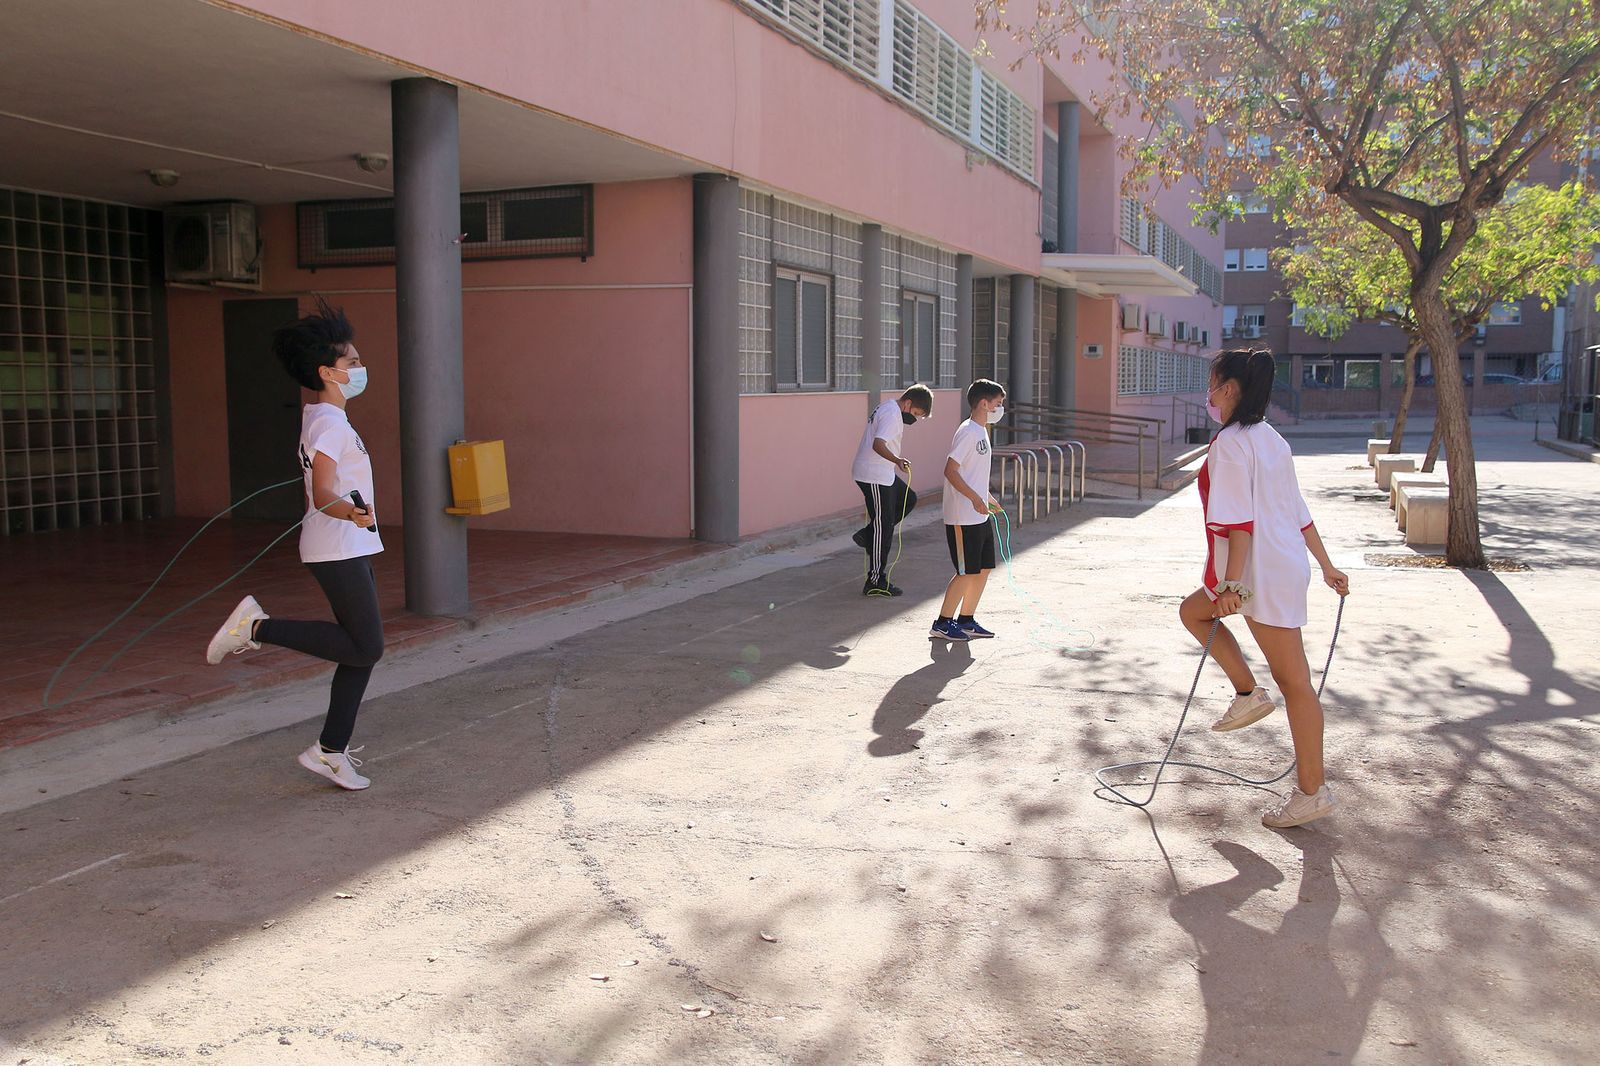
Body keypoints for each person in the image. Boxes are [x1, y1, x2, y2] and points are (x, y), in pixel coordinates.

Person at [204, 300, 385, 791]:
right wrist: (348, 509)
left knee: (361, 652)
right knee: (366, 646)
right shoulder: (329, 423)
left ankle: (331, 751)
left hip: (346, 543)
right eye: (352, 363)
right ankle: (255, 626)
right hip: (336, 544)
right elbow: (325, 491)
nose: (360, 369)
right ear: (328, 372)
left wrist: (352, 515)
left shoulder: (325, 419)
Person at [1181, 349, 1351, 828]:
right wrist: (1327, 565)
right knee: (1194, 613)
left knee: (1296, 684)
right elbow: (1297, 510)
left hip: (1258, 572)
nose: (1209, 392)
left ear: (1230, 388)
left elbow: (1239, 522)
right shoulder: (1272, 438)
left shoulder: (1231, 443)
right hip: (1282, 565)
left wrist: (1233, 583)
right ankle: (1247, 693)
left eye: (1213, 383)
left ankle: (1310, 791)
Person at [931, 379, 1005, 642]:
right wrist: (974, 498)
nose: (1000, 408)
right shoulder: (968, 432)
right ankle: (942, 623)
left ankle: (966, 619)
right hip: (963, 516)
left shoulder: (982, 431)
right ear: (984, 403)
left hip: (979, 514)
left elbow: (973, 474)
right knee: (966, 571)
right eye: (997, 403)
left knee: (983, 568)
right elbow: (951, 470)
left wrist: (987, 498)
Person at [851, 384, 933, 597]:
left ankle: (868, 535)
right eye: (915, 413)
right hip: (874, 475)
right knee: (884, 525)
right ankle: (876, 579)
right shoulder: (892, 414)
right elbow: (878, 444)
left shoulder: (890, 408)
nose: (914, 419)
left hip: (882, 473)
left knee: (909, 499)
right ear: (907, 403)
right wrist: (897, 460)